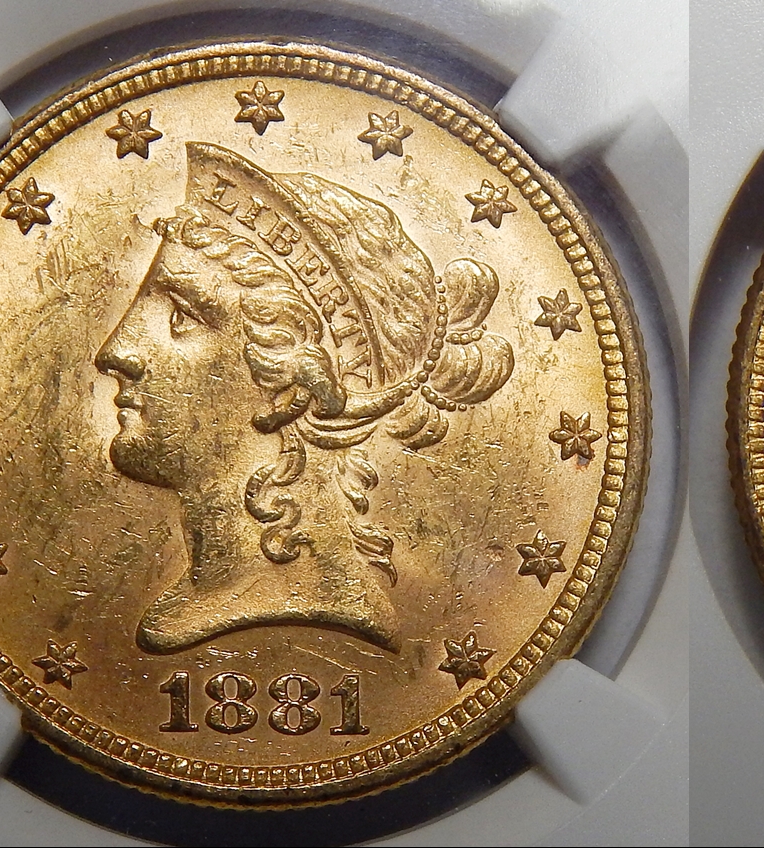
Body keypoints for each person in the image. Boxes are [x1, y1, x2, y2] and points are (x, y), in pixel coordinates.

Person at [97, 143, 514, 654]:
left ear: (294, 385)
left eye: (182, 315)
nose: (115, 351)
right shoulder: (191, 602)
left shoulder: (319, 610)